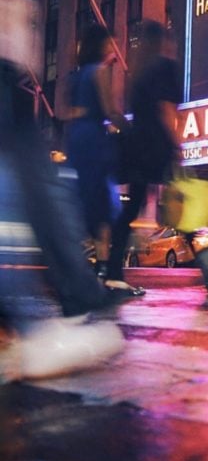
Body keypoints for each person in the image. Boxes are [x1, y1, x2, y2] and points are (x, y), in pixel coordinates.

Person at [0, 0, 123, 381]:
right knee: (36, 198)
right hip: (23, 100)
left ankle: (70, 301)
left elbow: (69, 111)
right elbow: (99, 109)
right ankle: (49, 315)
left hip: (33, 107)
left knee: (40, 197)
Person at [106, 20, 208, 297]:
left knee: (137, 208)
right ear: (164, 43)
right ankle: (205, 270)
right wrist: (178, 145)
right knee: (182, 206)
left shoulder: (140, 73)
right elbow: (167, 109)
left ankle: (113, 274)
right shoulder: (165, 67)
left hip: (137, 146)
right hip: (157, 146)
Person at [64, 24, 128, 282]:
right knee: (103, 202)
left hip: (77, 140)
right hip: (93, 141)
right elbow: (109, 110)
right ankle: (102, 266)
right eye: (112, 45)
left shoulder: (76, 76)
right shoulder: (98, 73)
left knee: (84, 198)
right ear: (101, 46)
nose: (115, 50)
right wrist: (131, 129)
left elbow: (69, 111)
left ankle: (87, 263)